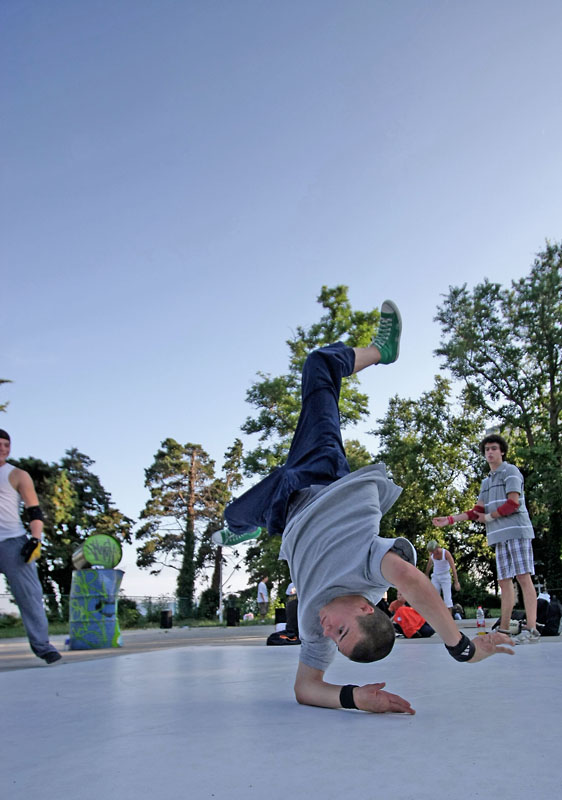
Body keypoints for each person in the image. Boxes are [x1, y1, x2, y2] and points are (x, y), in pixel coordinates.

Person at [213, 303, 513, 715]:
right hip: (324, 475)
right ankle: (380, 350)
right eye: (340, 630)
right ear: (363, 607)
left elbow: (305, 688)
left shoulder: (316, 627)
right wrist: (460, 647)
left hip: (282, 509)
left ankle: (249, 523)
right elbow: (412, 581)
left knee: (231, 515)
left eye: (334, 639)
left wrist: (354, 696)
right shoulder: (372, 571)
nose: (324, 631)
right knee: (319, 365)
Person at [433, 433, 539, 644]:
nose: (489, 452)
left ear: (502, 452)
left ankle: (532, 628)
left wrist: (489, 517)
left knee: (523, 578)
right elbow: (476, 511)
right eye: (486, 449)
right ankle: (505, 630)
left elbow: (513, 503)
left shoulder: (510, 471)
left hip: (516, 531)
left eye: (493, 448)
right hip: (498, 537)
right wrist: (451, 519)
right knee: (504, 582)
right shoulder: (486, 482)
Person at [0, 429, 61, 664]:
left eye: (7, 445)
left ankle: (43, 647)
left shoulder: (17, 474)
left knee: (30, 596)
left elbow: (34, 510)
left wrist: (35, 540)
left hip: (14, 543)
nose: (3, 448)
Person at [425, 540, 461, 614]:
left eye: (432, 551)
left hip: (445, 577)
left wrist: (456, 582)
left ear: (437, 548)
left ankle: (449, 619)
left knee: (447, 599)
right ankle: (437, 617)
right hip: (435, 576)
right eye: (430, 552)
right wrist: (426, 575)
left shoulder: (446, 553)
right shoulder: (431, 554)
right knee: (434, 596)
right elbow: (429, 565)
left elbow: (453, 568)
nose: (431, 553)